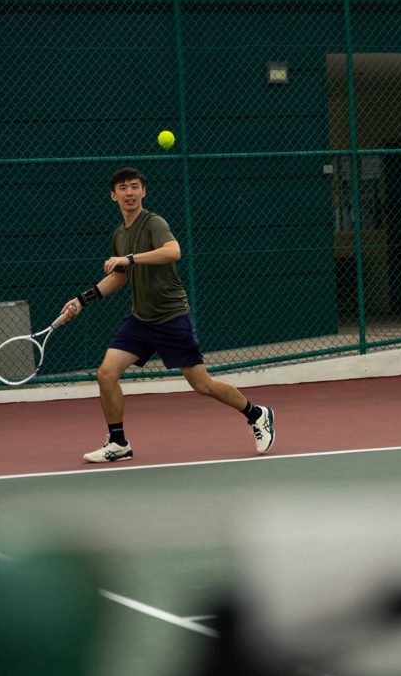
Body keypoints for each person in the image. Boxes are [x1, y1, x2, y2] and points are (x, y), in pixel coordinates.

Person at [60, 167, 274, 463]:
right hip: (140, 320)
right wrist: (83, 299)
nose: (130, 192)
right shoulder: (119, 235)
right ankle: (119, 442)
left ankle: (257, 414)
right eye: (123, 188)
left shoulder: (153, 223)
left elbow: (173, 251)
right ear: (114, 196)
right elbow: (119, 277)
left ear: (143, 192)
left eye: (135, 187)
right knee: (106, 373)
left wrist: (131, 258)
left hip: (171, 317)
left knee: (202, 384)